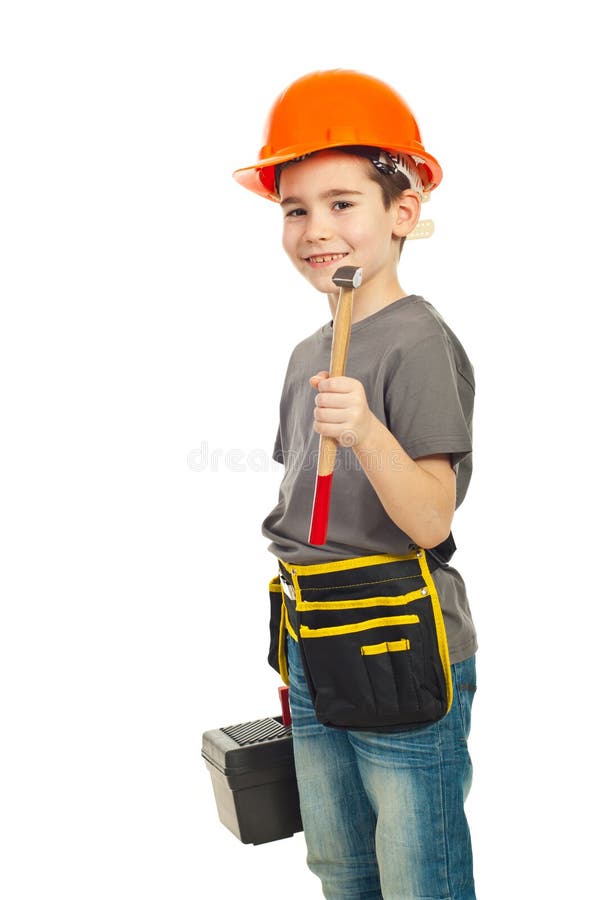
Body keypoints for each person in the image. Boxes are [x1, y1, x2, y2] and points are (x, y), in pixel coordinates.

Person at [233, 69, 478, 900]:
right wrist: (292, 654)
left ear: (402, 214)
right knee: (339, 861)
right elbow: (309, 515)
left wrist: (367, 430)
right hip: (312, 631)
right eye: (295, 209)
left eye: (343, 204)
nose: (315, 229)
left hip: (398, 635)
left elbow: (428, 518)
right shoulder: (309, 352)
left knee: (421, 873)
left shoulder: (418, 343)